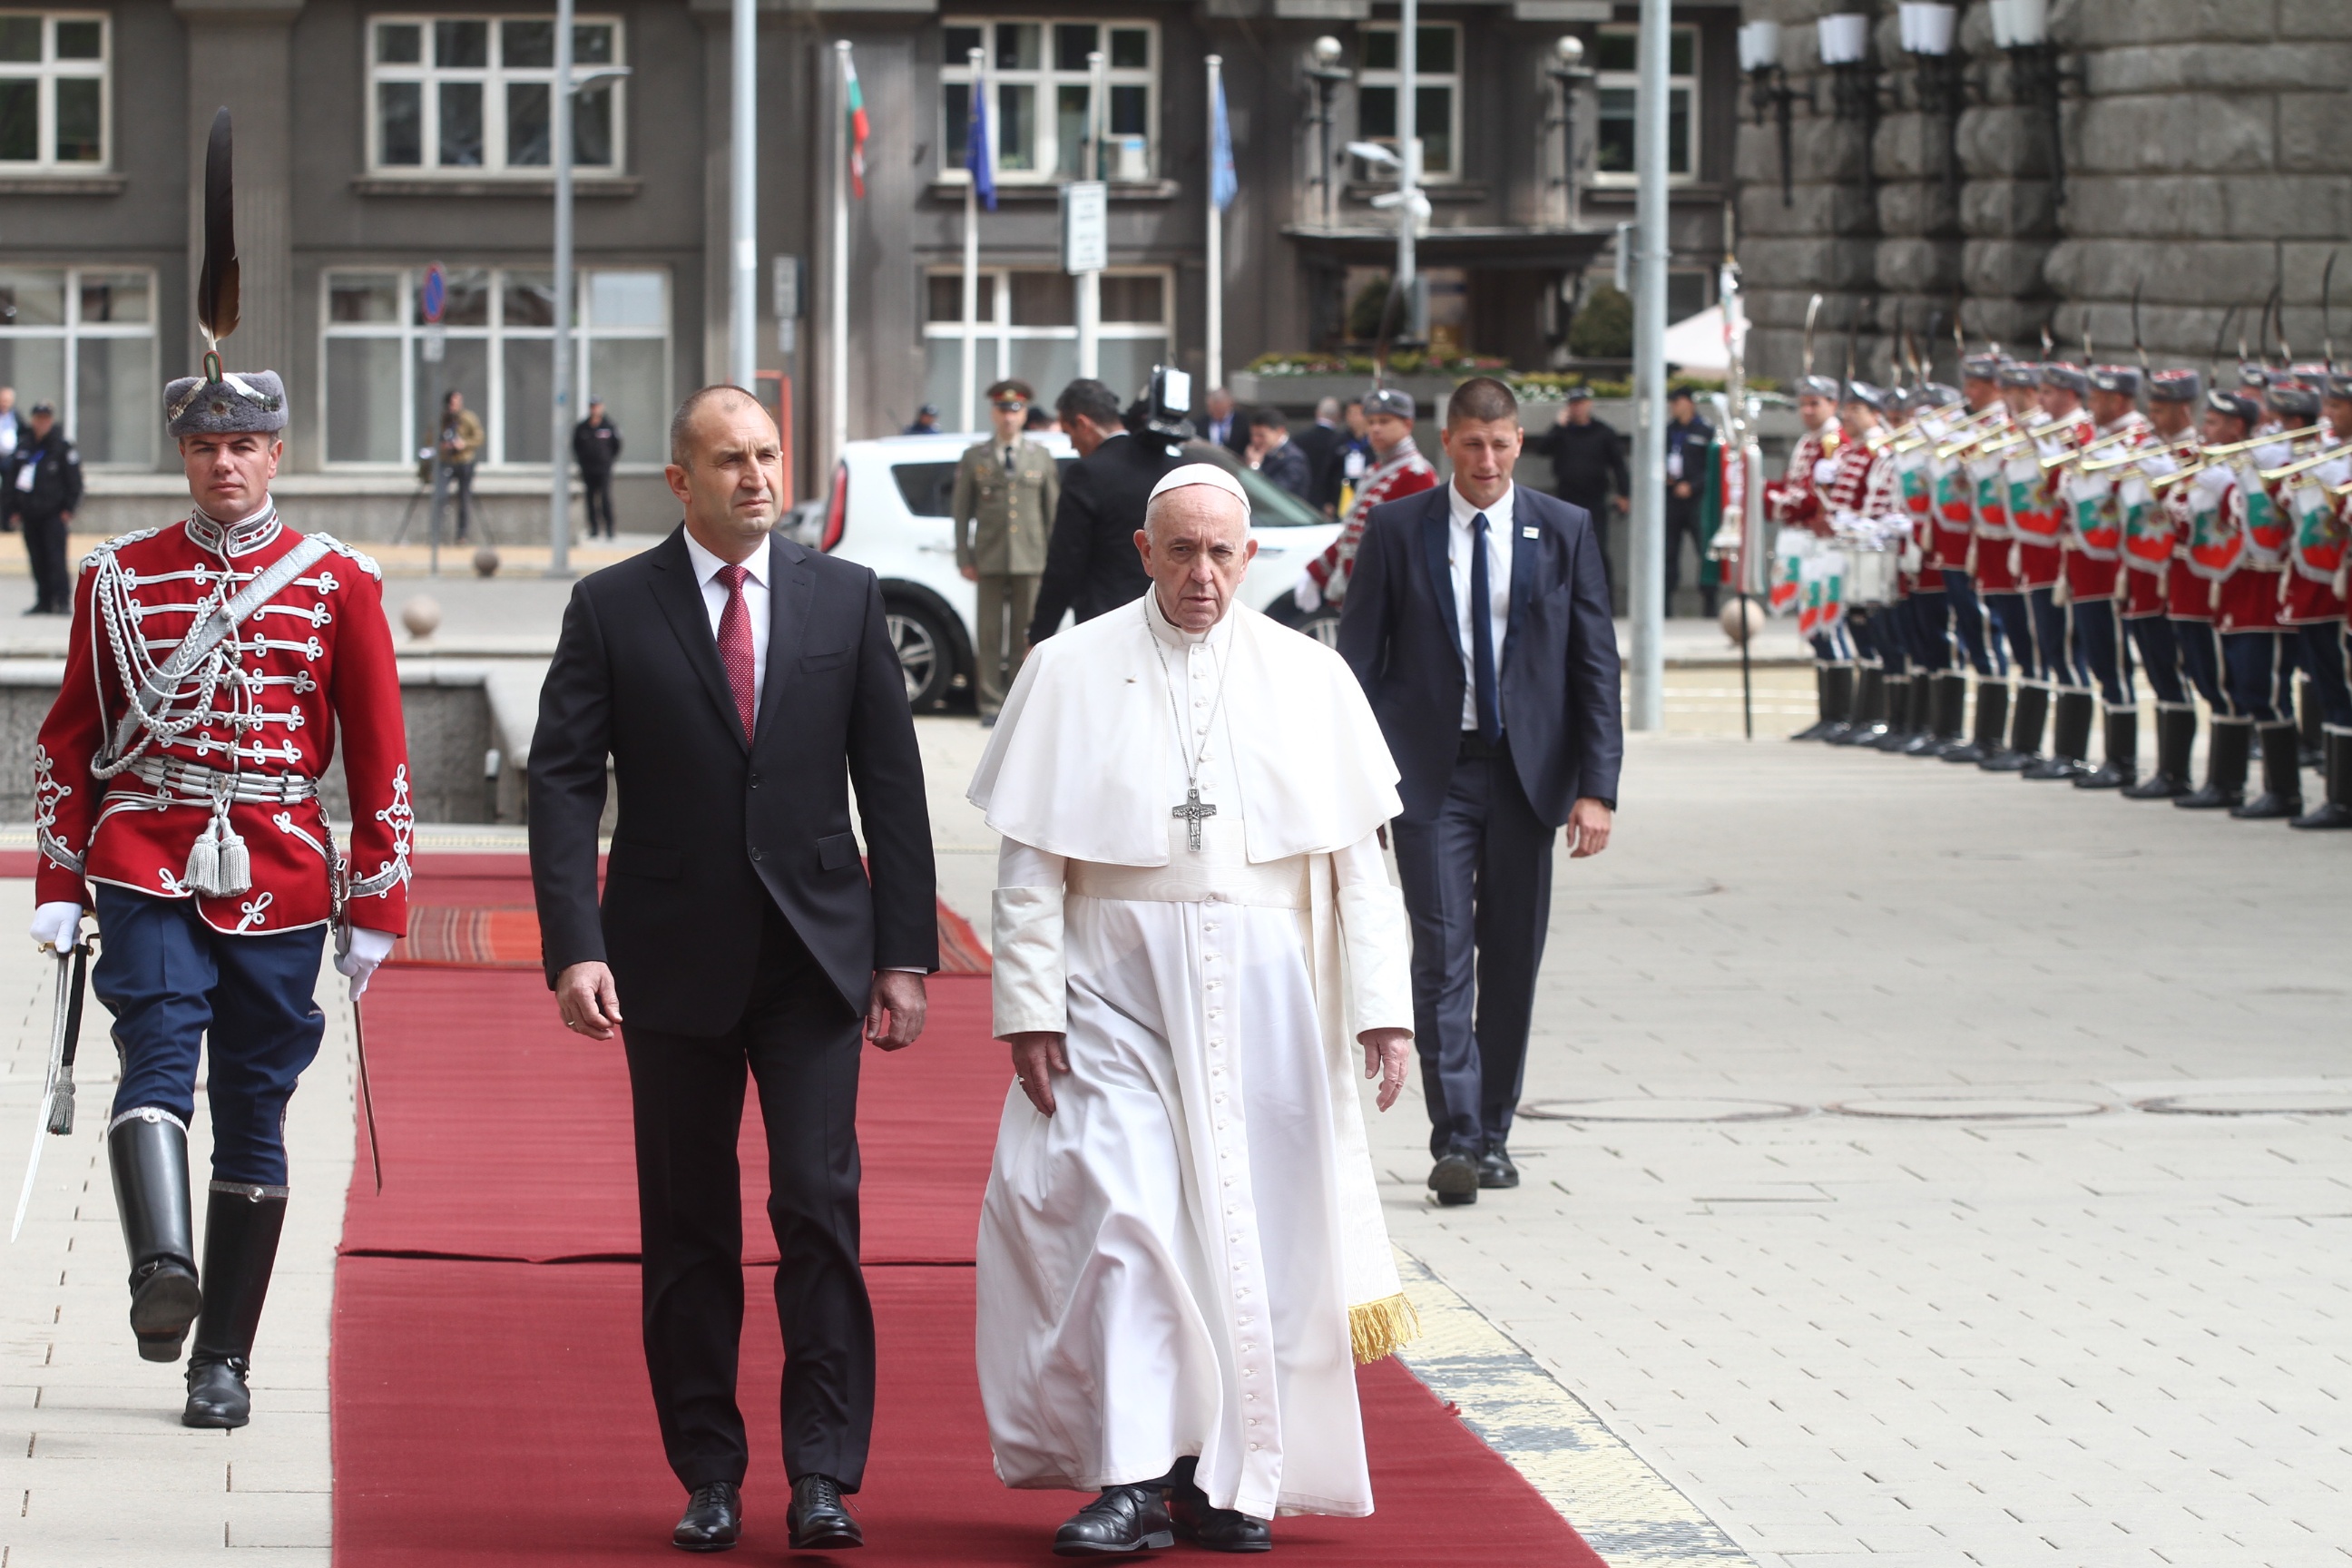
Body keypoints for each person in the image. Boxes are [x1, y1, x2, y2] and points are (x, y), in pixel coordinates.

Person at [969, 463, 1417, 1553]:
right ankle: (1131, 1479)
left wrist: (1383, 1009)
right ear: (1144, 551)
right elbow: (1027, 867)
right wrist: (1029, 1006)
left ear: (1250, 556)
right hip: (1110, 992)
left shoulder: (1311, 678)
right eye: (1181, 551)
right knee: (1123, 1227)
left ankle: (1229, 1479)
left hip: (1269, 1001)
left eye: (1221, 552)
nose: (1202, 574)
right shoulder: (1069, 669)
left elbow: (1362, 869)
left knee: (1249, 1242)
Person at [528, 386, 937, 1554]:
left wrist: (903, 954)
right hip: (668, 961)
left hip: (816, 962)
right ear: (680, 480)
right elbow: (563, 782)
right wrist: (576, 945)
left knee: (817, 1209)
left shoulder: (846, 596)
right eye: (730, 459)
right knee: (688, 1226)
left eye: (767, 455)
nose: (756, 476)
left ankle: (823, 1473)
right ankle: (708, 1471)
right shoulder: (612, 605)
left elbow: (891, 784)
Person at [29, 357, 410, 1430]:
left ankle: (223, 1362)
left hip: (281, 867)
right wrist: (59, 878)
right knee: (155, 1045)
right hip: (144, 851)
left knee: (254, 1098)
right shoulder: (117, 576)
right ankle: (164, 1270)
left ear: (276, 454)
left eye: (243, 445)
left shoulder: (338, 582)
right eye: (204, 446)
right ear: (183, 456)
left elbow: (379, 752)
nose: (224, 464)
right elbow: (71, 737)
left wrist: (378, 901)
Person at [1337, 377, 1622, 1204]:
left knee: (1512, 957)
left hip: (1530, 777)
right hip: (1432, 776)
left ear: (1519, 443)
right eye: (1472, 445)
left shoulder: (1563, 529)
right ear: (1448, 442)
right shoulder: (1399, 529)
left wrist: (1598, 788)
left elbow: (1595, 664)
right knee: (1440, 954)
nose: (1487, 460)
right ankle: (1456, 1137)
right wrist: (1356, 785)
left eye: (1500, 445)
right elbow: (1358, 664)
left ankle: (1494, 1131)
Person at [1028, 377, 1184, 643]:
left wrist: (1038, 635)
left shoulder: (1086, 474)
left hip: (1105, 624)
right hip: (1167, 619)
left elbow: (1064, 564)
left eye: (1068, 433)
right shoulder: (1172, 466)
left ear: (1083, 423)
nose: (1072, 445)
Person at [2116, 368, 2205, 799]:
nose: (2152, 418)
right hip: (2142, 575)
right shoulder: (2146, 449)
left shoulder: (2197, 455)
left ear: (2184, 410)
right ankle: (2169, 770)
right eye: (2150, 409)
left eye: (2161, 410)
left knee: (2188, 672)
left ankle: (2181, 771)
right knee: (2157, 672)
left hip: (2178, 579)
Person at [951, 379, 1061, 724]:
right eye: (1002, 410)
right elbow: (961, 513)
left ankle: (1019, 699)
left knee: (1025, 633)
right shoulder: (975, 457)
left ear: (1024, 413)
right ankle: (990, 703)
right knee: (989, 633)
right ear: (993, 413)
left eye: (1015, 410)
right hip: (990, 556)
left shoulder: (1040, 456)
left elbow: (1052, 513)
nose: (1009, 417)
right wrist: (964, 557)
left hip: (1031, 557)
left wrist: (1053, 561)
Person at [1294, 387, 1438, 613]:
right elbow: (1352, 536)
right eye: (1371, 422)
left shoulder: (1416, 475)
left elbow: (1410, 551)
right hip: (1363, 594)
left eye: (1384, 421)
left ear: (1407, 425)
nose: (1375, 428)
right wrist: (1316, 572)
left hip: (1388, 599)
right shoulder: (1376, 471)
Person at [1767, 375, 1851, 738]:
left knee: (1829, 622)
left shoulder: (1835, 442)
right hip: (1802, 540)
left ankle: (1841, 714)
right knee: (1813, 625)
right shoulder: (1807, 441)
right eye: (1803, 404)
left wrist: (1778, 501)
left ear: (1833, 405)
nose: (1807, 411)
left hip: (1825, 542)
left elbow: (1816, 496)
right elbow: (1794, 485)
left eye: (1815, 403)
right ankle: (1828, 713)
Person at [12, 400, 80, 614]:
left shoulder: (61, 447)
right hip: (30, 514)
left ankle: (62, 600)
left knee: (55, 558)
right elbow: (13, 480)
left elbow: (74, 482)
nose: (42, 423)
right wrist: (13, 509)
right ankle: (44, 600)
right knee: (37, 558)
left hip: (53, 514)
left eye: (45, 419)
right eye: (38, 419)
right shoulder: (24, 446)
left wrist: (68, 508)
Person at [1662, 387, 1718, 618]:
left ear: (1689, 403)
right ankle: (1664, 605)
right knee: (1667, 552)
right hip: (1671, 497)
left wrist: (1693, 486)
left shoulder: (1705, 430)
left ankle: (1710, 603)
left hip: (1697, 500)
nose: (1673, 407)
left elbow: (1713, 467)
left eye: (1677, 402)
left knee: (1704, 550)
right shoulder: (1668, 430)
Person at [432, 389, 485, 544]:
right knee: (441, 495)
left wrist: (464, 444)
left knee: (464, 498)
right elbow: (431, 439)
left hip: (464, 461)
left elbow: (479, 437)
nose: (456, 405)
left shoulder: (468, 418)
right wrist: (442, 446)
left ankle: (462, 535)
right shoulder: (441, 420)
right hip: (445, 461)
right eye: (453, 402)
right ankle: (436, 534)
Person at [573, 396, 623, 540]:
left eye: (597, 406)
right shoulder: (582, 427)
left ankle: (609, 528)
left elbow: (617, 445)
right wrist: (582, 462)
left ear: (601, 407)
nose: (595, 409)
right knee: (590, 498)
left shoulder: (609, 425)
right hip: (588, 469)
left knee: (605, 497)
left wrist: (609, 460)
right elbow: (576, 446)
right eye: (592, 407)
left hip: (604, 468)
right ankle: (594, 528)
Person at [1292, 396, 1349, 514]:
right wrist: (1332, 501)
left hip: (1301, 501)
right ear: (1338, 416)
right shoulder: (1340, 442)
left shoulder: (1300, 439)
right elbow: (1337, 475)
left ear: (1317, 413)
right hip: (1327, 503)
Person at [1244, 406, 1311, 500]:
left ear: (1280, 431)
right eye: (1253, 435)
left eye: (1261, 435)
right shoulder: (1259, 452)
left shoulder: (1294, 459)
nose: (1255, 440)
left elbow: (1275, 494)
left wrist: (1255, 466)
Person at [1200, 386, 1243, 454]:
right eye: (1213, 410)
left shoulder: (1242, 423)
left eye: (1220, 410)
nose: (1217, 414)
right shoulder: (1200, 424)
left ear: (1229, 405)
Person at [0, 384, 19, 534]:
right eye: (2, 400)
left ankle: (6, 523)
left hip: (10, 459)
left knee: (8, 491)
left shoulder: (15, 416)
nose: (5, 403)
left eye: (7, 400)